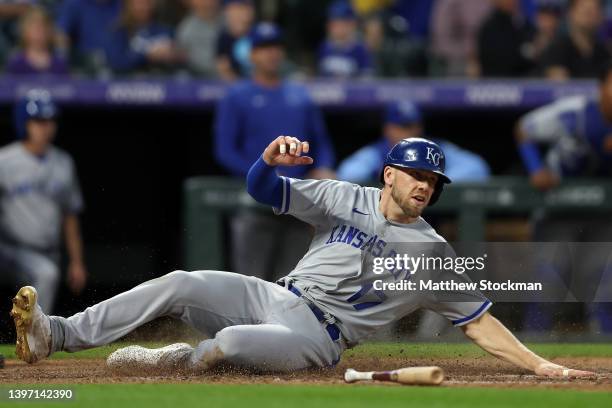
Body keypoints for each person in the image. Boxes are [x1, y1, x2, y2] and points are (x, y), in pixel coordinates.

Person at [10, 136, 595, 379]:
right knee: (181, 280)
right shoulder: (346, 195)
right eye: (415, 174)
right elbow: (264, 192)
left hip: (321, 338)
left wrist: (539, 365)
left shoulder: (431, 251)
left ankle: (174, 360)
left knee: (232, 346)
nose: (425, 185)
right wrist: (268, 161)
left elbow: (479, 322)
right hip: (277, 294)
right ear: (390, 174)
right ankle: (53, 334)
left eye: (433, 180)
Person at [215, 22, 335, 282]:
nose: (271, 53)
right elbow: (225, 151)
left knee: (293, 282)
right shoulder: (237, 96)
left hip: (297, 198)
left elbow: (321, 142)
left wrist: (323, 167)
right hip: (255, 199)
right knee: (250, 281)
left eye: (276, 47)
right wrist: (264, 172)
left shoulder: (300, 94)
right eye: (264, 48)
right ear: (252, 54)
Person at [515, 62, 612, 333]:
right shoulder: (577, 112)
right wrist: (536, 169)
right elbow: (524, 129)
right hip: (558, 206)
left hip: (604, 214)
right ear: (601, 88)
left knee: (606, 286)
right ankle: (531, 347)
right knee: (548, 280)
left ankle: (606, 360)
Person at [0, 91, 87, 314]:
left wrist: (76, 261)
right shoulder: (5, 160)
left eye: (50, 121)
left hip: (46, 253)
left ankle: (32, 341)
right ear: (24, 123)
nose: (45, 127)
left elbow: (70, 216)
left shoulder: (63, 162)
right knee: (47, 273)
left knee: (47, 272)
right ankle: (33, 340)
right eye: (39, 121)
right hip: (8, 249)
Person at [338, 101, 490, 183]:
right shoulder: (377, 152)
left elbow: (477, 167)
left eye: (414, 126)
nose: (411, 132)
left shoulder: (434, 149)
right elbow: (348, 173)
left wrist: (434, 180)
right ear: (388, 129)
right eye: (403, 127)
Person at [104, 0, 183, 75]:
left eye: (146, 2)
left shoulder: (165, 30)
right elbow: (116, 61)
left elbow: (181, 57)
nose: (143, 7)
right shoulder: (118, 32)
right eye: (138, 3)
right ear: (128, 6)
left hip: (162, 79)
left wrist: (173, 55)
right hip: (128, 83)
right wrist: (147, 56)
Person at [539, 0, 609, 80]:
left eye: (595, 9)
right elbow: (558, 87)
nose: (590, 15)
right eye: (586, 10)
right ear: (571, 13)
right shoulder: (557, 49)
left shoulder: (604, 52)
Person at [56, 0, 121, 73]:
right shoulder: (76, 3)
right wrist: (62, 62)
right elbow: (61, 34)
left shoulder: (121, 3)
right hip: (87, 69)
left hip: (121, 68)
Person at [477, 0, 535, 77]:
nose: (512, 1)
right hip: (497, 82)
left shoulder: (522, 22)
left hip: (524, 80)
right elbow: (498, 60)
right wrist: (524, 54)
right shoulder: (490, 27)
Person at [5, 6, 69, 76]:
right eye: (35, 28)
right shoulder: (16, 63)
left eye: (44, 27)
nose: (40, 32)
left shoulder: (59, 64)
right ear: (25, 31)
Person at [317, 1, 372, 79]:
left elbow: (367, 80)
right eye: (333, 24)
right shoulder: (324, 47)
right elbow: (321, 77)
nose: (336, 29)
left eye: (341, 24)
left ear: (352, 25)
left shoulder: (360, 50)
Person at [176, 0, 222, 77]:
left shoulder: (228, 21)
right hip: (198, 77)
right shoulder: (186, 28)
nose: (208, 3)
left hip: (230, 75)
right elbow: (183, 57)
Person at [215, 0, 254, 81]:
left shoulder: (258, 34)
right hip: (235, 84)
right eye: (236, 9)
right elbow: (223, 68)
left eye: (245, 8)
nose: (240, 13)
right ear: (226, 12)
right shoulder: (224, 38)